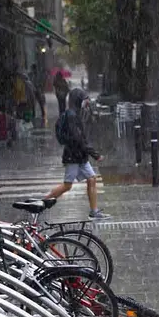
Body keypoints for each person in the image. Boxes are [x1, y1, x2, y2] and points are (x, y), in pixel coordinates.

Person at [44, 88, 110, 219]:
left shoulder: (76, 114)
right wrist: (95, 154)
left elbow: (81, 137)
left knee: (91, 179)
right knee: (67, 185)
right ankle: (42, 203)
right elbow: (78, 138)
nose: (86, 103)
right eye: (85, 100)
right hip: (74, 155)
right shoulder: (72, 116)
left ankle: (94, 211)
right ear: (78, 100)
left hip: (79, 155)